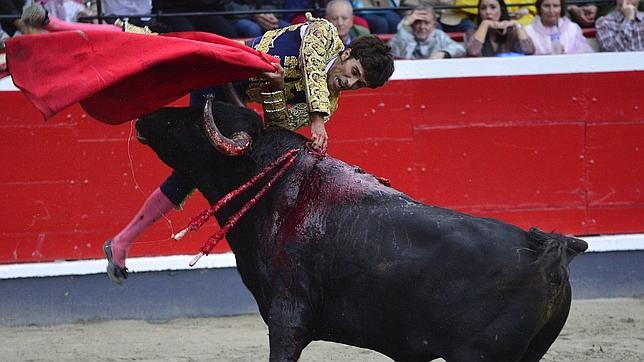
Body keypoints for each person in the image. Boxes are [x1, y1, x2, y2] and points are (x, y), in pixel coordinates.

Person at [102, 17, 394, 284]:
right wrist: (317, 119)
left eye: (360, 84)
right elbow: (310, 63)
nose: (350, 83)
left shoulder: (330, 104)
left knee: (191, 172)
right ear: (346, 54)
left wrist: (276, 87)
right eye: (354, 72)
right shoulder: (325, 33)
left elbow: (278, 121)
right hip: (220, 68)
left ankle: (122, 241)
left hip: (232, 97)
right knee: (162, 53)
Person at [388, 5, 465, 59]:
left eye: (426, 23)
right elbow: (393, 52)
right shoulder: (404, 34)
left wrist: (444, 53)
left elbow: (460, 49)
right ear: (412, 24)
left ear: (434, 25)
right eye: (417, 22)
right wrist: (405, 25)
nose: (422, 27)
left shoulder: (439, 35)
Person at [464, 0, 535, 56]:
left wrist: (516, 23)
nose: (488, 12)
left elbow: (529, 50)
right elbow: (473, 52)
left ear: (501, 10)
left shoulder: (511, 32)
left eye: (493, 7)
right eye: (483, 8)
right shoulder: (472, 32)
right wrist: (485, 24)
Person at [524, 0, 593, 54]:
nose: (551, 11)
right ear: (539, 8)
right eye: (546, 6)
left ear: (561, 8)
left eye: (556, 6)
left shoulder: (573, 29)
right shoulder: (528, 31)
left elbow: (584, 56)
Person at [224, 0, 291, 38]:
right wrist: (254, 14)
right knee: (253, 29)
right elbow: (225, 5)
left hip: (262, 13)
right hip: (234, 17)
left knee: (289, 28)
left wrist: (266, 14)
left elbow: (272, 3)